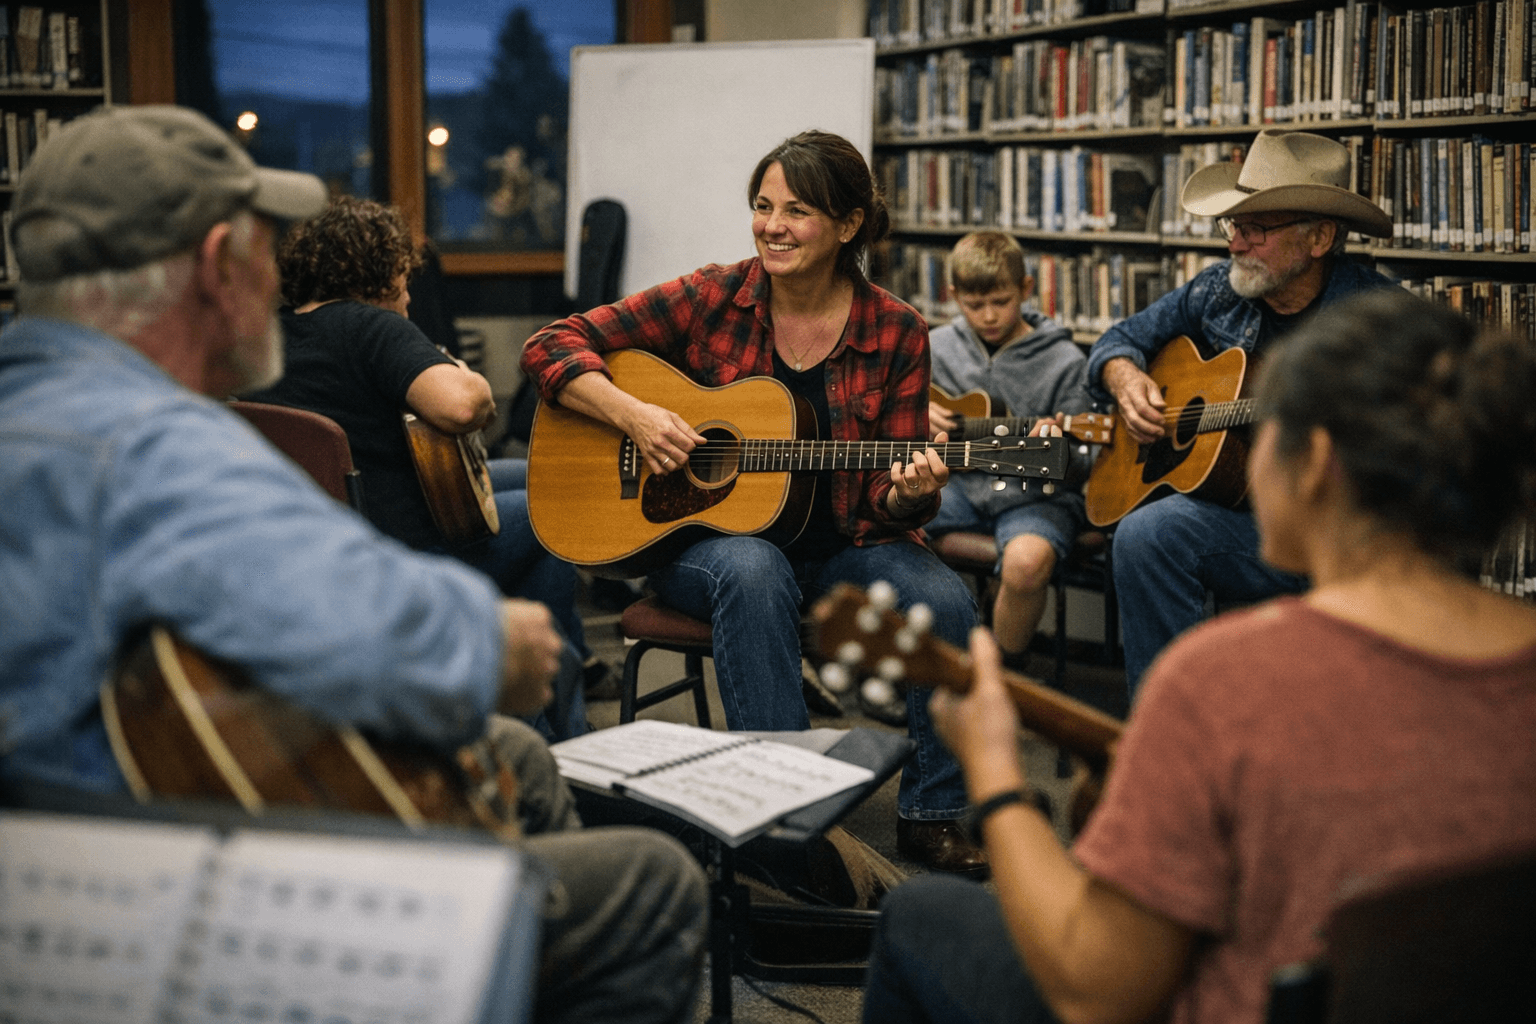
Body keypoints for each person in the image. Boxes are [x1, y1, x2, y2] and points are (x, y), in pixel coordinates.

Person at [0, 104, 705, 1024]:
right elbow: (399, 635)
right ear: (217, 265)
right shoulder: (154, 444)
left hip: (65, 837)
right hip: (164, 869)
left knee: (521, 758)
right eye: (266, 244)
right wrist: (494, 640)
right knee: (651, 880)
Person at [862, 287, 1536, 1024]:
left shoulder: (1218, 679)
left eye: (1264, 433)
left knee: (919, 912)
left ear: (1314, 461)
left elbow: (1099, 989)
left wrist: (994, 773)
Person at [521, 129, 988, 875]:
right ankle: (787, 822)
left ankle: (931, 814)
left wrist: (907, 492)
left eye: (797, 211)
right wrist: (633, 415)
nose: (772, 226)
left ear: (848, 224)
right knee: (753, 566)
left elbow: (885, 495)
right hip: (701, 551)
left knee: (947, 600)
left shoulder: (897, 329)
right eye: (763, 206)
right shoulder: (713, 295)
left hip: (845, 548)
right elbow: (550, 343)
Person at [241, 195, 592, 740]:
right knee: (550, 510)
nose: (408, 296)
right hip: (404, 551)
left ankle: (538, 688)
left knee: (525, 476)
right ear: (378, 276)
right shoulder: (373, 326)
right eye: (404, 281)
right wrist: (467, 376)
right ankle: (548, 701)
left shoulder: (269, 336)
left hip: (320, 548)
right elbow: (460, 407)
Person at [1086, 128, 1397, 694]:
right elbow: (1118, 340)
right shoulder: (1218, 292)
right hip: (1245, 520)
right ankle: (1173, 721)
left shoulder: (1382, 321)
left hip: (1338, 534)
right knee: (1144, 534)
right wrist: (1124, 376)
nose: (1235, 246)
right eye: (1234, 227)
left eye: (1256, 230)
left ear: (1320, 237)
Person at [925, 231, 1092, 661]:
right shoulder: (934, 347)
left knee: (1026, 565)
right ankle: (916, 664)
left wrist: (1060, 448)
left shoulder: (1066, 361)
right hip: (956, 487)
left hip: (1036, 496)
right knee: (875, 524)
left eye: (1001, 302)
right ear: (953, 296)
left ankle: (1000, 674)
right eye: (973, 305)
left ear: (1026, 288)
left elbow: (1086, 462)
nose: (988, 316)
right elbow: (888, 422)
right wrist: (916, 415)